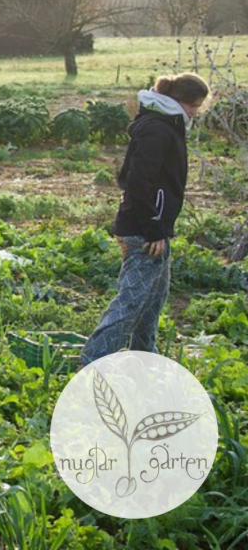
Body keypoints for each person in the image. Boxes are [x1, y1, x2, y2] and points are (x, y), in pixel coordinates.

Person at [79, 72, 210, 367]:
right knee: (132, 302)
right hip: (144, 231)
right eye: (194, 106)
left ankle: (145, 360)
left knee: (152, 302)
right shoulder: (159, 130)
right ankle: (91, 363)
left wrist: (159, 229)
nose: (195, 113)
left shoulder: (165, 124)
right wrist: (153, 229)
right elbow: (137, 182)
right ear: (180, 101)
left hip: (155, 229)